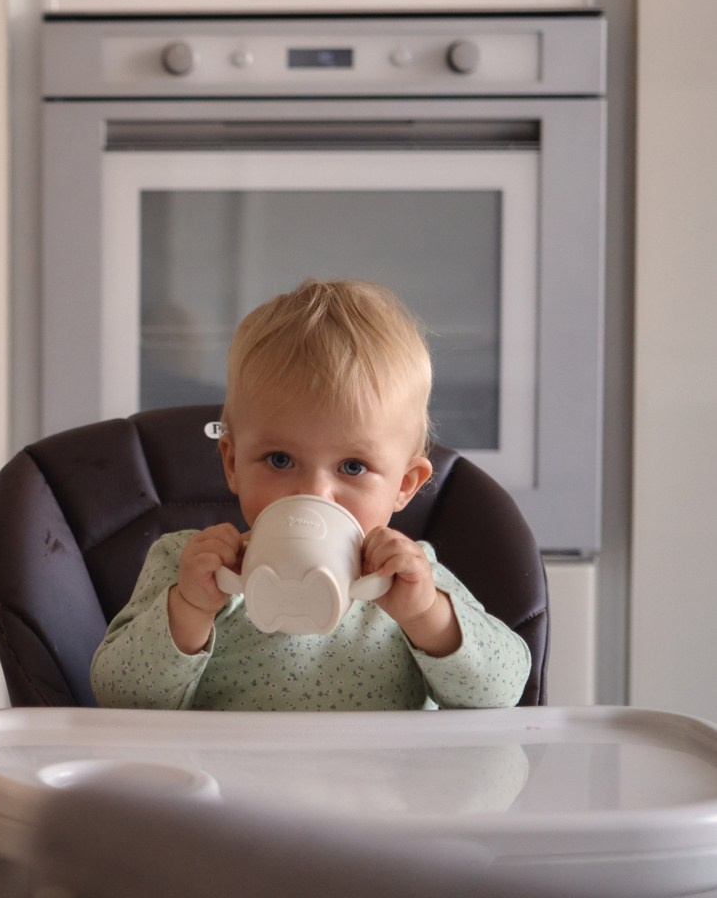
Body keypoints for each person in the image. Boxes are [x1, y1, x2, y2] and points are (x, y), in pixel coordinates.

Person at [90, 278, 529, 711]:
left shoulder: (412, 578)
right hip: (227, 780)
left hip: (379, 781)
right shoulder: (188, 567)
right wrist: (189, 609)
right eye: (280, 460)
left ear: (404, 485)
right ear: (232, 462)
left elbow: (503, 691)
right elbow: (118, 696)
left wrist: (427, 617)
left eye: (353, 467)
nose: (313, 492)